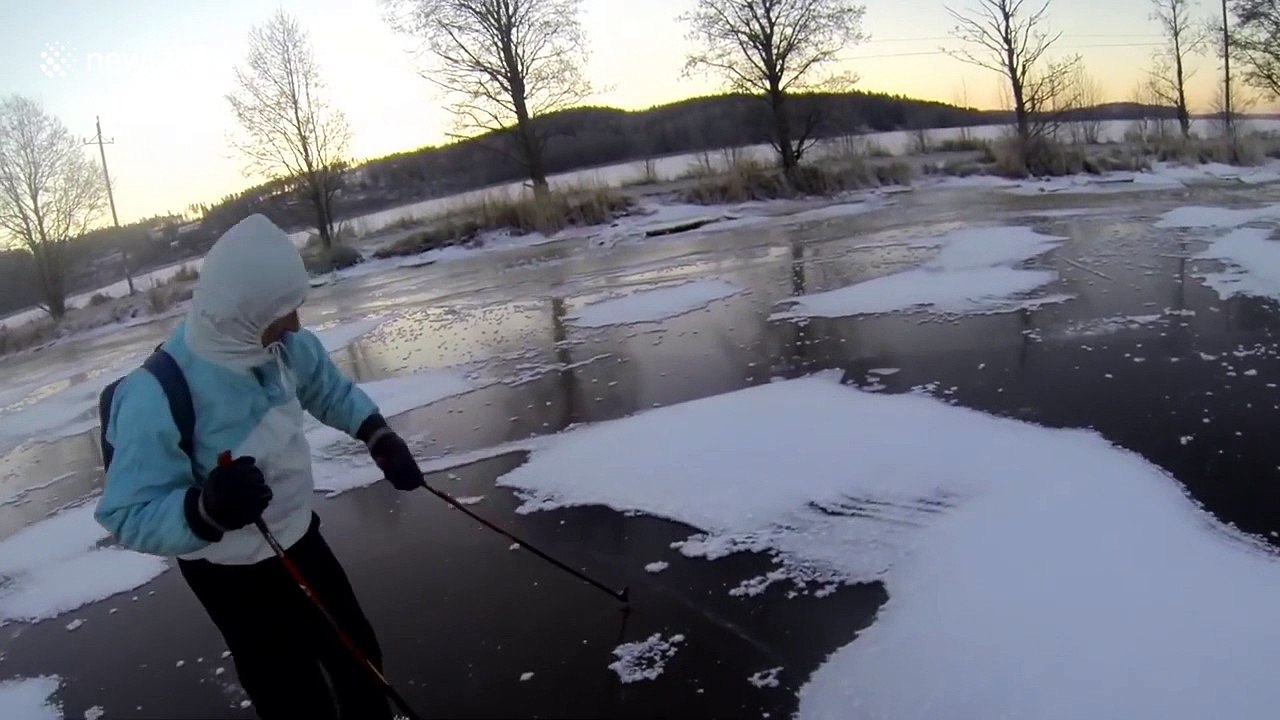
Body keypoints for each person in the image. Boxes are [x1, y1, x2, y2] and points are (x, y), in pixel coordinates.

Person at [95, 214, 424, 720]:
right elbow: (127, 513)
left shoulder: (282, 346)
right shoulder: (154, 394)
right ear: (242, 309)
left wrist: (376, 433)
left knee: (358, 657)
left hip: (300, 536)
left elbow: (327, 389)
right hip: (229, 577)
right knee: (291, 696)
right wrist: (206, 510)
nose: (294, 323)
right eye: (281, 311)